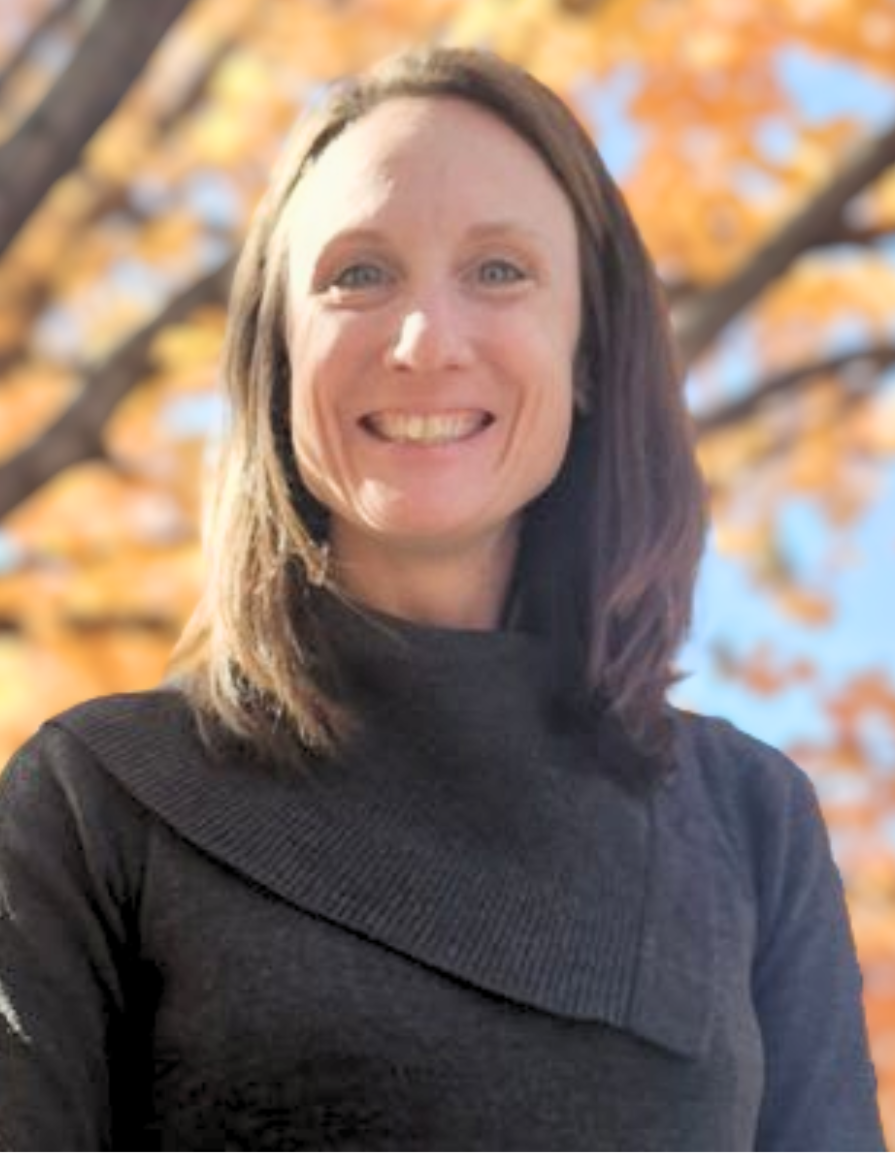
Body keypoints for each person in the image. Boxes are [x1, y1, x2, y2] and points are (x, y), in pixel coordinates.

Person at [0, 46, 885, 1151]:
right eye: (356, 274)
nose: (424, 342)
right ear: (278, 356)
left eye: (500, 271)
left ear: (586, 356)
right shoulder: (98, 803)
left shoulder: (751, 824)